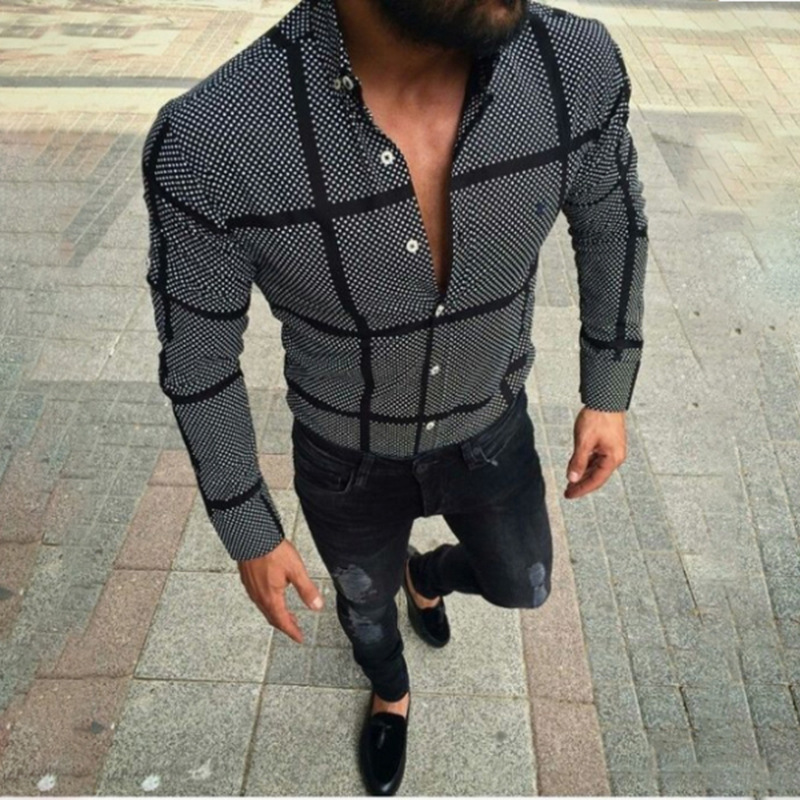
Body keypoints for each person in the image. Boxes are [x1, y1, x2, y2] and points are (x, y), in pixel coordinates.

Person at [141, 0, 648, 794]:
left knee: (523, 583)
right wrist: (249, 528)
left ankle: (430, 576)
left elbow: (612, 221)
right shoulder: (212, 139)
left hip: (491, 430)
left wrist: (607, 391)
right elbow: (200, 357)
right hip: (345, 460)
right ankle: (391, 692)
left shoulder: (572, 64)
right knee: (364, 612)